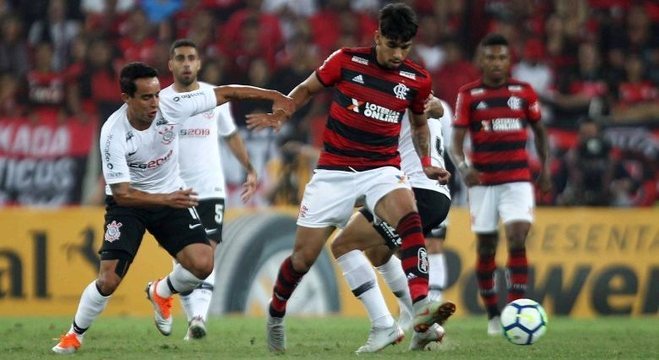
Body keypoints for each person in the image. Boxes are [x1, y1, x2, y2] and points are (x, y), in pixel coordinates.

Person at [247, 3, 451, 353]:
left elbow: (419, 125)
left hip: (382, 169)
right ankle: (276, 314)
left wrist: (427, 162)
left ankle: (420, 307)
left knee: (408, 215)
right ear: (377, 37)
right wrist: (282, 112)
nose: (398, 54)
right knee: (301, 259)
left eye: (405, 47)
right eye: (392, 45)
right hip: (333, 174)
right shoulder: (346, 60)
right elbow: (308, 88)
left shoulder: (416, 79)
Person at [51, 62, 292, 354]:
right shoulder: (113, 133)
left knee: (203, 264)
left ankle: (161, 291)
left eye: (155, 94)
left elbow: (227, 93)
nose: (155, 103)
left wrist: (273, 95)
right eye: (146, 97)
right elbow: (123, 194)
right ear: (126, 97)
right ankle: (74, 334)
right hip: (130, 204)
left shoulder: (172, 105)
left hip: (169, 195)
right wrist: (167, 200)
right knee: (109, 279)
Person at [330, 96, 455, 353]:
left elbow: (431, 107)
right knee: (378, 253)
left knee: (343, 245)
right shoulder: (413, 100)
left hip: (413, 193)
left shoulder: (391, 104)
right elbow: (438, 107)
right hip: (434, 195)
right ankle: (425, 328)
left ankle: (384, 325)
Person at [450, 33, 551, 336]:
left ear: (510, 61)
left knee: (518, 237)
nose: (496, 62)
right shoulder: (468, 95)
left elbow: (540, 132)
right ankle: (493, 313)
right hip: (482, 182)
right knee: (486, 248)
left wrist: (544, 169)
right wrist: (464, 167)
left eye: (502, 57)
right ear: (481, 60)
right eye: (490, 57)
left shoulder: (524, 92)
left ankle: (516, 307)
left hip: (517, 179)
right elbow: (455, 144)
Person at [162, 39, 258, 340]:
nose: (186, 63)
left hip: (211, 188)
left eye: (191, 58)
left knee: (207, 257)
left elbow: (230, 136)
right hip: (175, 189)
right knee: (187, 261)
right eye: (180, 58)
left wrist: (249, 168)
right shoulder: (161, 101)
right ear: (171, 65)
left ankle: (196, 314)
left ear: (199, 63)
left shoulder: (213, 98)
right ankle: (193, 317)